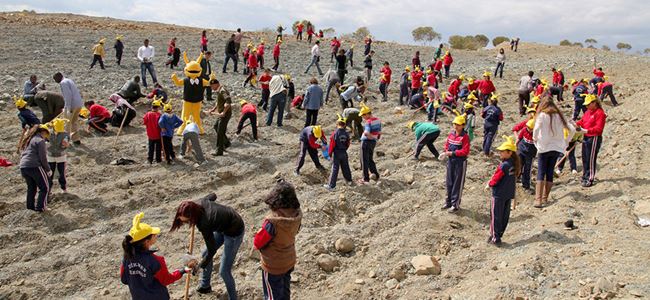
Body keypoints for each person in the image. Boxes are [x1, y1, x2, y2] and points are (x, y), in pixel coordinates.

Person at [171, 193, 245, 298]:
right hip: (222, 225)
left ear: (192, 216)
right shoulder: (199, 203)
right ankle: (205, 286)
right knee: (204, 253)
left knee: (224, 271)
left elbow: (212, 250)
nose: (186, 223)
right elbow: (213, 195)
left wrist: (200, 267)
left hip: (234, 231)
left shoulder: (204, 223)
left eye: (187, 221)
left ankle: (233, 298)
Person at [121, 213, 195, 300]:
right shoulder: (155, 260)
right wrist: (182, 271)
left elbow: (124, 279)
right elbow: (166, 280)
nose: (156, 235)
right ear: (146, 241)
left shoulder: (126, 258)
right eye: (153, 234)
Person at [253, 181, 302, 300]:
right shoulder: (297, 214)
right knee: (285, 291)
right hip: (289, 259)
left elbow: (258, 243)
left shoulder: (272, 222)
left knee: (272, 296)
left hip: (273, 266)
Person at [532, 98, 574, 207]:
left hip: (544, 146)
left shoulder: (542, 115)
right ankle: (545, 197)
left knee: (541, 171)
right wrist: (567, 140)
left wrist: (534, 138)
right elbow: (572, 129)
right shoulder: (559, 115)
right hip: (557, 147)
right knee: (550, 171)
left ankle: (538, 199)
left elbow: (536, 129)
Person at [486, 136, 520, 245]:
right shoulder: (515, 164)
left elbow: (496, 178)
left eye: (502, 152)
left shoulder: (504, 165)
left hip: (498, 194)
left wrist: (489, 184)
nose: (500, 153)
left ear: (509, 153)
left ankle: (495, 237)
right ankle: (499, 234)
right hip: (508, 194)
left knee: (495, 216)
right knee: (504, 216)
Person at [171, 51, 211, 135]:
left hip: (195, 101)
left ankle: (198, 129)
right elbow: (178, 83)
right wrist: (175, 79)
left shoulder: (200, 80)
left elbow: (208, 83)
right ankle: (182, 129)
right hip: (189, 101)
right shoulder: (187, 80)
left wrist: (211, 79)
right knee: (186, 116)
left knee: (195, 116)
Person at [18, 124, 51, 211]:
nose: (46, 137)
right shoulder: (40, 141)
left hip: (23, 166)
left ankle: (30, 208)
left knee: (31, 188)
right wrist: (48, 169)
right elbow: (43, 158)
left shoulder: (29, 140)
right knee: (45, 187)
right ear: (43, 132)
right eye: (46, 134)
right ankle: (41, 207)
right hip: (34, 166)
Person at [576, 95, 606, 187]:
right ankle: (585, 176)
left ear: (594, 103)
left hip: (594, 138)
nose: (586, 106)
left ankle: (590, 178)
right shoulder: (588, 112)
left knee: (591, 158)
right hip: (586, 137)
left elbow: (599, 129)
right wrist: (575, 124)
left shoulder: (600, 113)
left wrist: (586, 130)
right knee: (585, 158)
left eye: (588, 104)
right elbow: (582, 121)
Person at [442, 113, 470, 213]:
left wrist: (452, 153)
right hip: (450, 161)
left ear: (463, 125)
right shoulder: (451, 135)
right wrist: (445, 152)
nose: (456, 126)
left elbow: (465, 151)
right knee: (449, 181)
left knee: (457, 183)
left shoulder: (465, 137)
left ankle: (455, 204)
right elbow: (447, 145)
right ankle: (448, 201)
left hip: (460, 162)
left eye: (458, 124)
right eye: (454, 124)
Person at [323, 114, 353, 191]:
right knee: (345, 166)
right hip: (344, 152)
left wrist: (329, 153)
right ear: (344, 125)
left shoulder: (335, 133)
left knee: (335, 168)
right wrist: (345, 149)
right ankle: (349, 180)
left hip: (336, 153)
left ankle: (331, 185)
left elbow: (332, 144)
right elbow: (348, 143)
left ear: (337, 124)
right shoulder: (346, 133)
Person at [54, 72, 83, 145]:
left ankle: (65, 142)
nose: (55, 81)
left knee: (67, 123)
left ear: (59, 77)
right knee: (74, 122)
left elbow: (68, 96)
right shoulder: (69, 80)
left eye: (55, 79)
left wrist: (68, 107)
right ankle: (76, 140)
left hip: (72, 105)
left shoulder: (63, 83)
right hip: (78, 104)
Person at [208, 78, 232, 156]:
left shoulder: (222, 91)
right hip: (221, 113)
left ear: (215, 84)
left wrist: (224, 112)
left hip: (225, 114)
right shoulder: (219, 91)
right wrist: (213, 109)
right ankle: (227, 143)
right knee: (216, 127)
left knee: (220, 131)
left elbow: (228, 101)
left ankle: (219, 151)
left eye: (212, 86)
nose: (211, 88)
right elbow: (218, 102)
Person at [358, 104, 381, 184]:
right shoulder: (378, 120)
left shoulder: (368, 122)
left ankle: (365, 178)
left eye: (363, 115)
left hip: (366, 142)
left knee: (364, 160)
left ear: (367, 114)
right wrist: (375, 138)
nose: (362, 117)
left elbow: (366, 132)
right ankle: (375, 174)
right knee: (370, 159)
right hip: (372, 143)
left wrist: (370, 136)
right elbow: (379, 132)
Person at [47, 118, 69, 192]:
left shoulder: (65, 134)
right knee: (50, 173)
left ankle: (63, 188)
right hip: (50, 155)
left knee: (61, 173)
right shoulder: (48, 133)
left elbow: (67, 142)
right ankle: (49, 188)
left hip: (61, 156)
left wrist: (66, 144)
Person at [516, 119, 537, 194]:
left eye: (531, 129)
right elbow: (519, 138)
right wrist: (516, 146)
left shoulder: (537, 134)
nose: (529, 130)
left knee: (527, 169)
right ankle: (516, 178)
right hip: (521, 150)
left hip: (530, 154)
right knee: (519, 165)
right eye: (528, 128)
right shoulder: (524, 130)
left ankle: (526, 185)